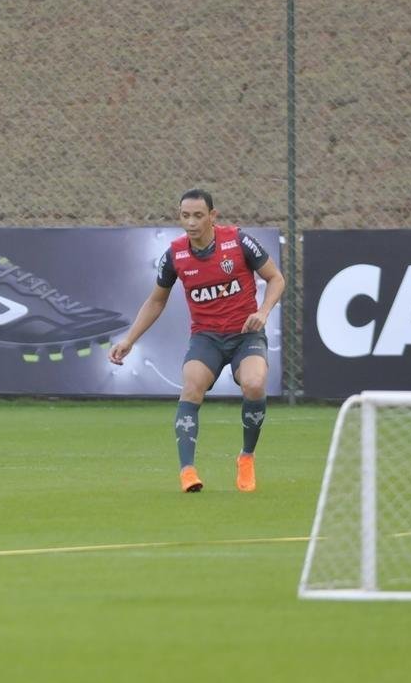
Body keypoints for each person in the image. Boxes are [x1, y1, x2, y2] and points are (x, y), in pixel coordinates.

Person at [108, 189, 286, 493]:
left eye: (198, 216)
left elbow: (276, 278)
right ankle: (188, 471)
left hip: (246, 334)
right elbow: (155, 301)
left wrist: (263, 311)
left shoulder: (238, 241)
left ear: (212, 216)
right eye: (185, 215)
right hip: (206, 337)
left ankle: (246, 457)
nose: (191, 223)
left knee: (255, 384)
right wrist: (129, 340)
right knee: (191, 387)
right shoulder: (175, 255)